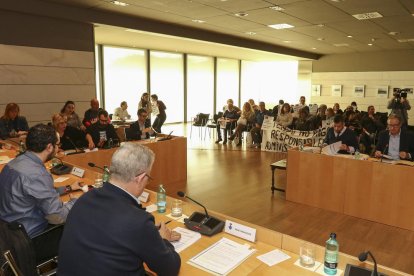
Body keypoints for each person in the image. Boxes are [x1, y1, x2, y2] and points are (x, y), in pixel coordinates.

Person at [58, 143, 181, 275]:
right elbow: (170, 269)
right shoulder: (138, 221)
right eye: (148, 178)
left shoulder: (84, 199)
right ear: (139, 178)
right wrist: (163, 239)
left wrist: (148, 234)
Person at [0, 124, 81, 261]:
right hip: (30, 240)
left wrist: (66, 189)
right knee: (81, 225)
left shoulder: (14, 164)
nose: (58, 148)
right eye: (57, 145)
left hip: (8, 235)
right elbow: (57, 217)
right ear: (49, 147)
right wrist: (75, 201)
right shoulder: (37, 174)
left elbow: (33, 194)